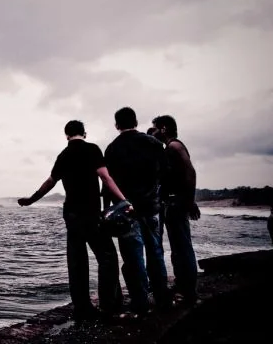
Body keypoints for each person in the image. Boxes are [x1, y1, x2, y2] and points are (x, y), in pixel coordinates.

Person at [17, 120, 129, 320]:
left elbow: (50, 182)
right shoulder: (92, 149)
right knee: (107, 257)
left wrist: (31, 200)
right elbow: (105, 177)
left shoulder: (64, 155)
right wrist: (123, 200)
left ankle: (82, 308)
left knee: (77, 262)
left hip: (71, 215)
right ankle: (108, 305)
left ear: (66, 135)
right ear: (84, 133)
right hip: (91, 213)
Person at [103, 107, 172, 316]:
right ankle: (162, 299)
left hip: (126, 211)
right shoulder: (154, 143)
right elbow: (165, 173)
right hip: (151, 207)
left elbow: (107, 184)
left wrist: (107, 210)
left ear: (117, 125)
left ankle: (140, 303)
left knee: (134, 259)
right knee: (155, 252)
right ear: (136, 122)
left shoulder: (112, 148)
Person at [152, 115, 199, 305]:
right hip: (173, 202)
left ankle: (189, 291)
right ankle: (183, 285)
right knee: (178, 247)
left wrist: (189, 201)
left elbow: (191, 172)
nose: (154, 132)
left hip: (176, 203)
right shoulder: (170, 147)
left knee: (182, 247)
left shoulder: (174, 146)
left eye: (155, 128)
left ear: (163, 129)